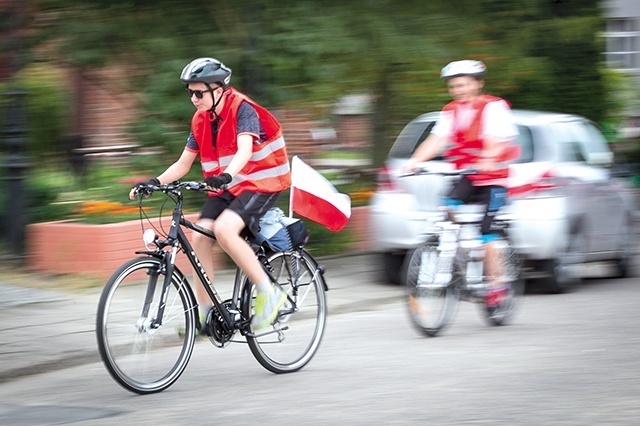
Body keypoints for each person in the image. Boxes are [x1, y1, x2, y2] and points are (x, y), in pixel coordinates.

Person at [130, 57, 291, 330]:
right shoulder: (201, 119)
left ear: (219, 89)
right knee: (200, 236)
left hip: (259, 184)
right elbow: (183, 163)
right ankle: (206, 315)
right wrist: (154, 182)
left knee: (225, 230)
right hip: (227, 188)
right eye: (190, 92)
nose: (193, 98)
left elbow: (244, 151)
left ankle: (270, 293)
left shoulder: (243, 109)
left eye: (199, 92)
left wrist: (226, 175)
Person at [406, 59, 519, 307]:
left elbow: (496, 139)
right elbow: (437, 139)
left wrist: (489, 158)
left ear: (478, 84)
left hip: (493, 179)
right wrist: (414, 161)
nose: (460, 90)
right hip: (467, 176)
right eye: (455, 86)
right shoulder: (450, 111)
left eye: (465, 84)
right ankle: (457, 254)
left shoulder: (494, 108)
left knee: (488, 231)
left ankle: (496, 285)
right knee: (446, 207)